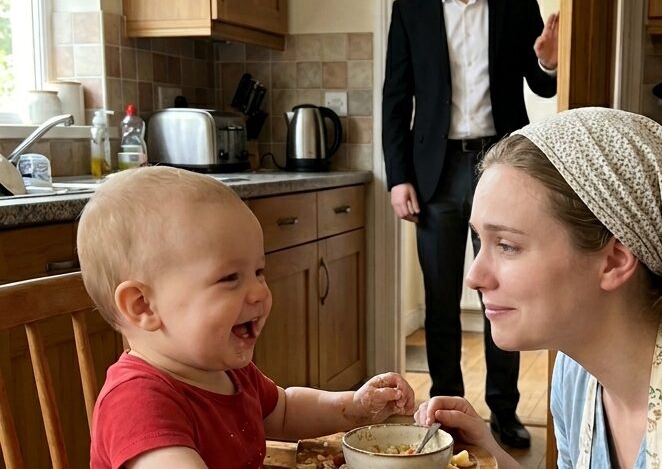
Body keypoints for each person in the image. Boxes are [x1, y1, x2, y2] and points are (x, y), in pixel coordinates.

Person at [414, 107, 662, 467]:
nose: (474, 277)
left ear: (614, 261)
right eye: (480, 239)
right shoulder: (577, 374)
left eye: (507, 245)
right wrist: (489, 456)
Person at [78, 166, 416, 468]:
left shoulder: (225, 371)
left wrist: (354, 407)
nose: (259, 292)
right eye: (230, 278)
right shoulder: (137, 403)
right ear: (143, 306)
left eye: (259, 272)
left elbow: (285, 410)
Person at [382, 0, 558, 449]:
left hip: (501, 164)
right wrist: (399, 177)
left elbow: (542, 84)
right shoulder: (411, 8)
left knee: (504, 294)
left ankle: (505, 410)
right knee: (440, 301)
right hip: (434, 173)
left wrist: (547, 60)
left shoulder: (517, 4)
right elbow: (395, 98)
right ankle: (448, 411)